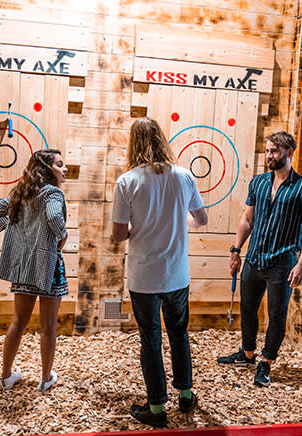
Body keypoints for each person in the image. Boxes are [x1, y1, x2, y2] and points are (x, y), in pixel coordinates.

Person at [111, 117, 208, 428]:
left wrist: (139, 228)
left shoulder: (127, 181)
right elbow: (201, 218)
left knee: (150, 339)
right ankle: (186, 395)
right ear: (162, 139)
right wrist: (182, 225)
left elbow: (118, 235)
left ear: (133, 142)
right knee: (179, 335)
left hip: (144, 277)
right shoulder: (183, 175)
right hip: (177, 274)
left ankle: (156, 409)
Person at [217, 131, 302, 388]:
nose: (269, 156)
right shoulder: (258, 183)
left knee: (276, 313)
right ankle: (248, 354)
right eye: (267, 150)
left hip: (282, 262)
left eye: (274, 151)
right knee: (247, 309)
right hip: (254, 257)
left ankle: (266, 363)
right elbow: (247, 219)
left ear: (289, 152)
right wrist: (236, 249)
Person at [0, 149, 69, 392]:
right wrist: (63, 234)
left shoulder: (21, 193)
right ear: (47, 169)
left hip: (24, 269)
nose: (65, 170)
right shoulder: (52, 193)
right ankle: (45, 379)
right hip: (48, 267)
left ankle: (6, 376)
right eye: (60, 165)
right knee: (48, 326)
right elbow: (54, 217)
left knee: (18, 321)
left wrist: (18, 236)